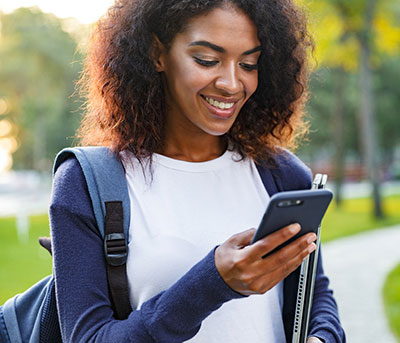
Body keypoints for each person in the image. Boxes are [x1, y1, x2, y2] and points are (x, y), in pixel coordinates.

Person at [50, 0, 345, 342]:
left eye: (249, 63)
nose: (232, 84)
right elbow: (89, 337)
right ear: (157, 53)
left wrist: (321, 338)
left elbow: (315, 294)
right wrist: (214, 282)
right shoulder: (88, 183)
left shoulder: (280, 174)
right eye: (207, 60)